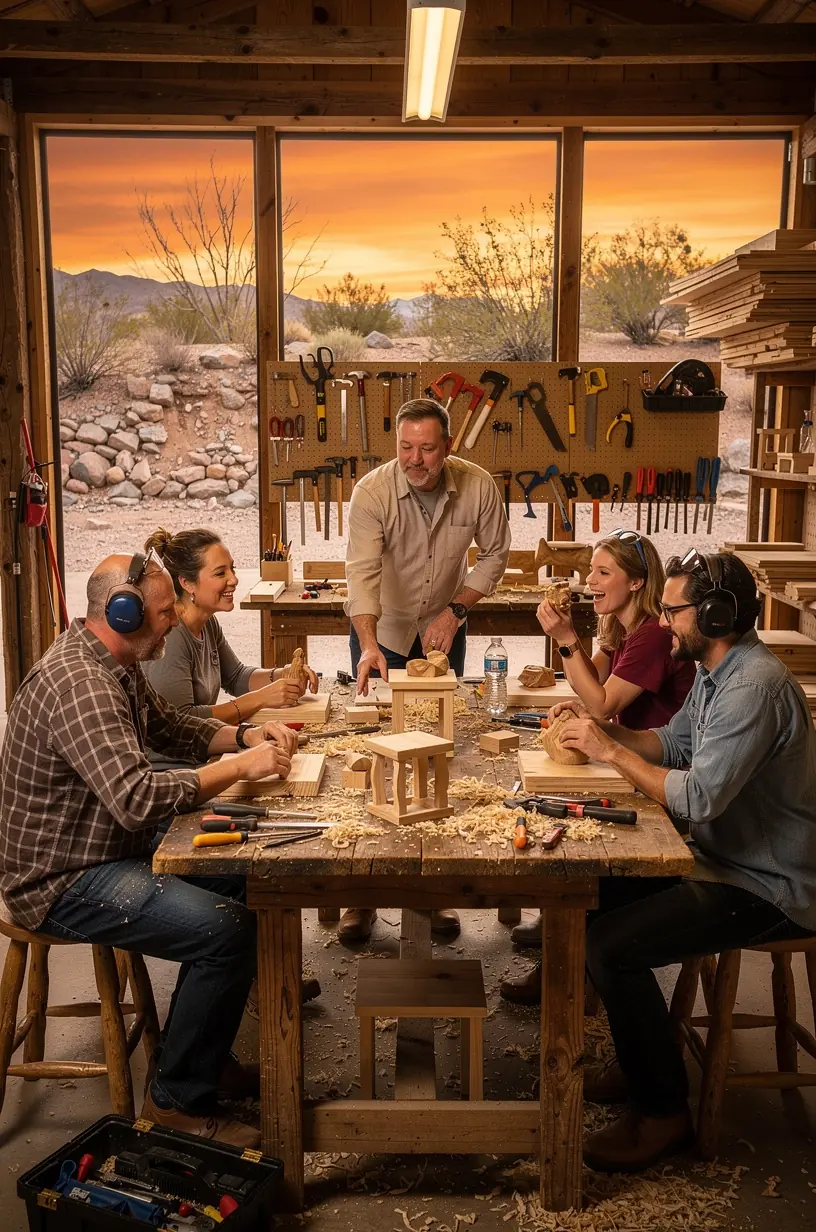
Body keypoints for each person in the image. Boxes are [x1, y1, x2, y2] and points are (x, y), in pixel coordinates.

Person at [514, 550, 816, 1171]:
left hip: (771, 884)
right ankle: (643, 1061)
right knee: (594, 899)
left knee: (612, 946)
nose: (663, 620)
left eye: (674, 611)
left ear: (715, 614)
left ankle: (663, 1114)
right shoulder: (714, 670)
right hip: (723, 858)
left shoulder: (753, 687)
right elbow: (670, 744)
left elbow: (698, 797)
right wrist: (599, 731)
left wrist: (610, 753)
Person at [0, 550, 300, 1147]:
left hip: (103, 846)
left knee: (246, 878)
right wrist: (239, 767)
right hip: (61, 877)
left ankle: (203, 1058)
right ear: (124, 612)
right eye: (164, 613)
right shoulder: (82, 685)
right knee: (226, 932)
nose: (172, 623)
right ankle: (175, 1103)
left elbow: (169, 726)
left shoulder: (117, 661)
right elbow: (137, 799)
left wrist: (245, 734)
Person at [342, 396, 511, 941]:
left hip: (442, 628)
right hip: (384, 631)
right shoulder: (372, 492)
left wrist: (456, 611)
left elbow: (496, 554)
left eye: (428, 449)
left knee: (439, 756)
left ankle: (435, 895)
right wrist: (368, 644)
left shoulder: (478, 486)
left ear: (448, 446)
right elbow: (362, 573)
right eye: (406, 448)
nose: (415, 460)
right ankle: (361, 897)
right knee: (378, 757)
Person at [510, 529, 696, 946]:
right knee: (560, 801)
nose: (590, 581)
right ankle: (562, 917)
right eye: (591, 570)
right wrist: (574, 681)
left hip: (662, 773)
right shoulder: (623, 627)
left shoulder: (653, 634)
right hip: (630, 756)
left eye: (603, 572)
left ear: (636, 582)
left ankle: (571, 927)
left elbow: (602, 704)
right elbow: (591, 681)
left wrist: (565, 640)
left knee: (570, 817)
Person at [142, 528, 317, 768]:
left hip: (201, 756)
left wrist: (282, 675)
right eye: (220, 573)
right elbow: (183, 719)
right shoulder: (172, 636)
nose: (233, 579)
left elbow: (236, 677)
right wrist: (261, 698)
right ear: (187, 583)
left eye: (232, 569)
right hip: (173, 768)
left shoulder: (207, 623)